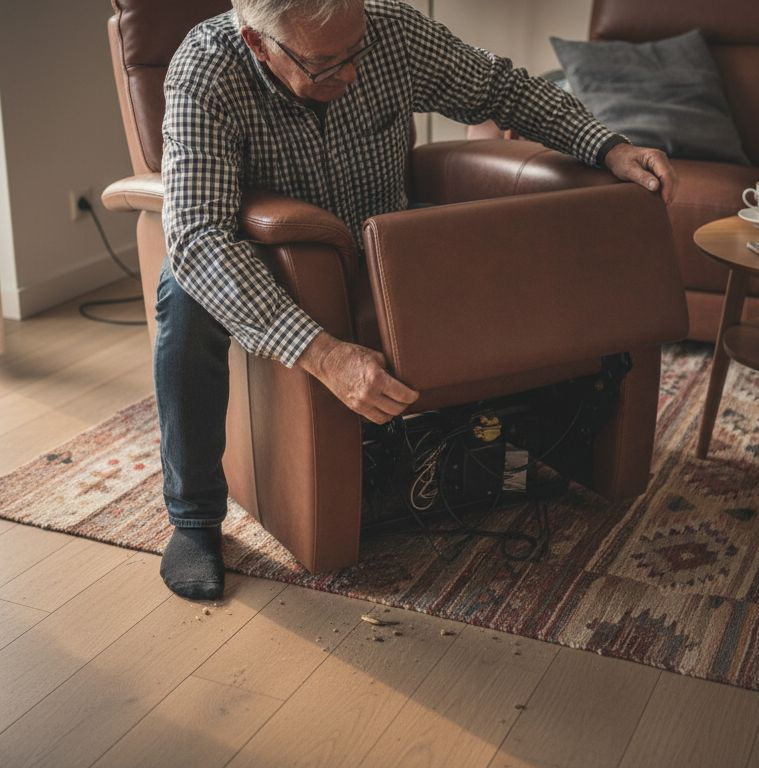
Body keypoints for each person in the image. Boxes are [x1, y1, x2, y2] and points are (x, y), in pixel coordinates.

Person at [155, 0, 678, 599]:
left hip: (383, 240)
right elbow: (198, 235)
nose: (351, 73)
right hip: (268, 255)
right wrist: (322, 352)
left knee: (500, 241)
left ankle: (530, 436)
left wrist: (606, 145)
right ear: (257, 42)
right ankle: (193, 518)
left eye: (356, 52)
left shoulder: (390, 32)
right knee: (183, 288)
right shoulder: (205, 69)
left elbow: (499, 88)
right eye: (326, 64)